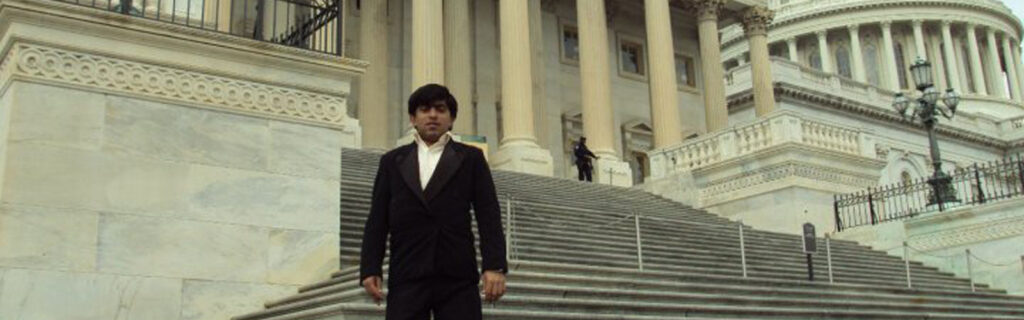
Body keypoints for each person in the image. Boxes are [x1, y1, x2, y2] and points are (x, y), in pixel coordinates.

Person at [359, 83, 507, 320]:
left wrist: (494, 266)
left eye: (440, 109)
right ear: (412, 118)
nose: (432, 115)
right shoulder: (392, 161)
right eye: (424, 109)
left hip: (456, 274)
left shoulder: (471, 158)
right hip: (407, 271)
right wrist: (370, 267)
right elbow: (377, 218)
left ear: (451, 119)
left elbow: (488, 213)